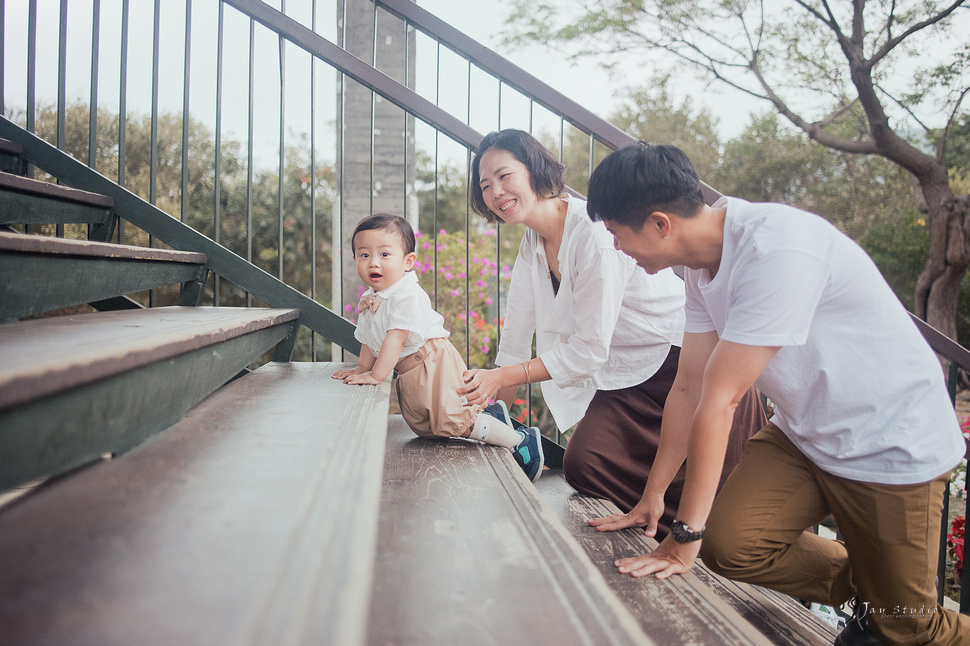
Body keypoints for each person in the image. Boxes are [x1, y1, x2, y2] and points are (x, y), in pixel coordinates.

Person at [585, 141, 970, 645]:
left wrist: (684, 540)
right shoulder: (700, 267)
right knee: (730, 546)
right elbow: (688, 386)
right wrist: (652, 497)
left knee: (913, 627)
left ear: (660, 224)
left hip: (889, 440)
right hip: (807, 435)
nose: (616, 247)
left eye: (616, 232)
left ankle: (893, 609)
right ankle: (879, 597)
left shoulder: (776, 250)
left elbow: (720, 402)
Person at [457, 129, 766, 537]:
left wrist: (500, 379)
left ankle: (700, 535)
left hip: (677, 361)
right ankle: (661, 525)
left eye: (504, 175)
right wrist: (491, 420)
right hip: (624, 374)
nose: (496, 192)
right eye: (485, 185)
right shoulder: (533, 243)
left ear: (534, 170)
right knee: (585, 465)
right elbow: (514, 339)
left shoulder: (593, 234)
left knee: (732, 499)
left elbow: (587, 352)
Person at [334, 213, 545, 482]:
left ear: (408, 261)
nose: (373, 262)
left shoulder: (406, 295)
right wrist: (363, 367)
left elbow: (395, 339)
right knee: (428, 427)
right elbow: (368, 338)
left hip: (433, 363)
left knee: (456, 419)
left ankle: (520, 442)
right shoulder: (371, 298)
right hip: (412, 369)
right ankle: (493, 418)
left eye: (385, 254)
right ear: (355, 260)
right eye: (364, 255)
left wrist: (375, 376)